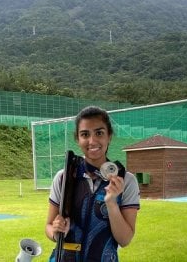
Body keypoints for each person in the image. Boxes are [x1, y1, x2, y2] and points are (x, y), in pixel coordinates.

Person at [45, 106, 140, 262]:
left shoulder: (126, 181)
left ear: (109, 136)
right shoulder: (64, 177)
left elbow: (125, 240)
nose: (92, 141)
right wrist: (56, 232)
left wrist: (111, 203)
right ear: (77, 139)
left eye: (99, 133)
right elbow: (48, 226)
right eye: (85, 134)